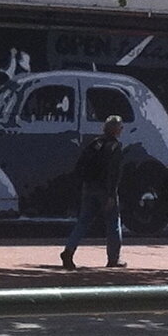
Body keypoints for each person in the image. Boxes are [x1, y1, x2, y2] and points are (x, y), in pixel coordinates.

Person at [61, 114, 126, 270]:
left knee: (83, 221)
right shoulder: (115, 146)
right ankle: (113, 258)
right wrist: (111, 194)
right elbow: (113, 173)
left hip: (89, 187)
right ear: (116, 129)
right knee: (113, 223)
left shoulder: (95, 143)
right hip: (105, 189)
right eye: (120, 127)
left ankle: (69, 249)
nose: (122, 129)